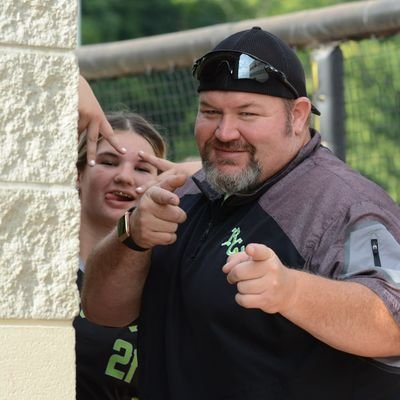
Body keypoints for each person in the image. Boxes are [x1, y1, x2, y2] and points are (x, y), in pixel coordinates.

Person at [81, 27, 400, 400]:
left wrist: (291, 291)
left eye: (247, 114)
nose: (225, 131)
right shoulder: (184, 192)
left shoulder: (344, 205)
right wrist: (131, 236)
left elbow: (392, 322)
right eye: (210, 112)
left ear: (298, 117)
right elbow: (102, 310)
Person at [74, 109, 200, 399]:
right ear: (78, 174)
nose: (125, 177)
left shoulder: (172, 276)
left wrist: (195, 176)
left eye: (143, 169)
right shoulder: (37, 264)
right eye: (108, 162)